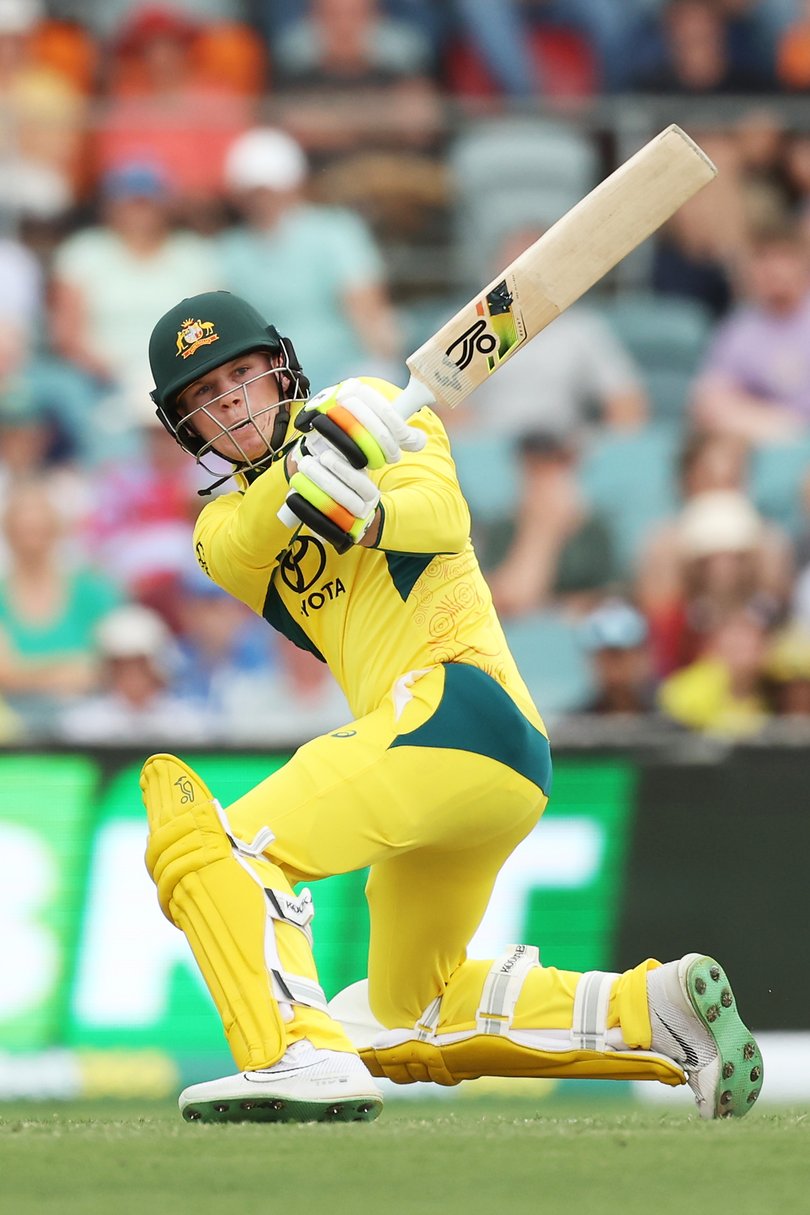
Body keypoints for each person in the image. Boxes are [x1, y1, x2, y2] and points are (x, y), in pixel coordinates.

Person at [140, 288, 763, 1125]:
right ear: (188, 430)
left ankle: (291, 1053)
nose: (232, 405)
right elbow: (257, 533)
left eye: (242, 376)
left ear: (279, 369)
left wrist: (368, 509)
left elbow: (442, 518)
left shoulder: (377, 415)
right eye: (204, 400)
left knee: (220, 848)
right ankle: (652, 1011)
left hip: (453, 705)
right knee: (406, 1015)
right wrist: (308, 466)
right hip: (470, 760)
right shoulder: (216, 531)